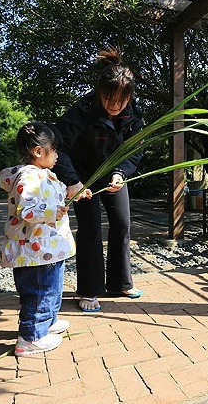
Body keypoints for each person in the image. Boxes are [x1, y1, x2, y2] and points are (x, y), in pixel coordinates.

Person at [54, 48, 143, 312]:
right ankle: (90, 290)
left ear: (129, 96)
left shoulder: (134, 115)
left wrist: (121, 173)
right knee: (90, 228)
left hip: (114, 174)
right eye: (109, 98)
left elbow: (135, 149)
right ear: (99, 91)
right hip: (83, 177)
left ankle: (120, 282)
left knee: (122, 222)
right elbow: (57, 148)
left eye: (121, 100)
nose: (114, 105)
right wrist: (72, 181)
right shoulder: (80, 112)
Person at [0, 122, 76, 356]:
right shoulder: (28, 177)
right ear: (38, 151)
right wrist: (51, 213)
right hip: (35, 251)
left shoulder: (43, 174)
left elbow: (54, 193)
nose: (57, 156)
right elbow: (26, 208)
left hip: (47, 247)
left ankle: (47, 323)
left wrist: (73, 193)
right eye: (54, 150)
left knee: (52, 289)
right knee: (40, 292)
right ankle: (30, 338)